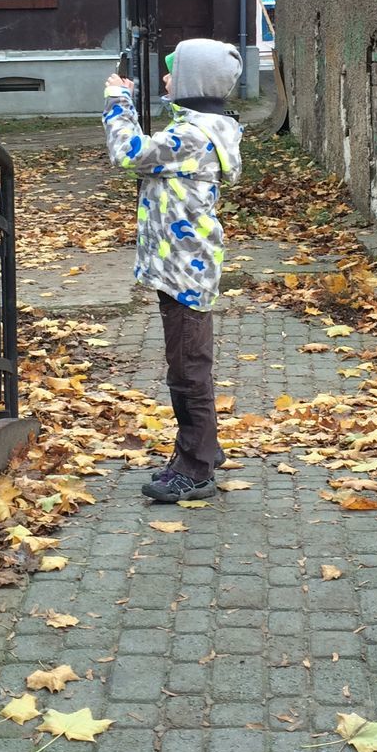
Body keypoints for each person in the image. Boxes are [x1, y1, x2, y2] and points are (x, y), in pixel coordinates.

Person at [103, 39, 244, 502]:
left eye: (171, 72)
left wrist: (117, 102)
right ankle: (197, 454)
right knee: (187, 366)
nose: (164, 78)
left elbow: (129, 152)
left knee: (188, 371)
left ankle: (197, 468)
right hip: (181, 267)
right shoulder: (197, 129)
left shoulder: (193, 136)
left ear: (191, 81)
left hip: (185, 272)